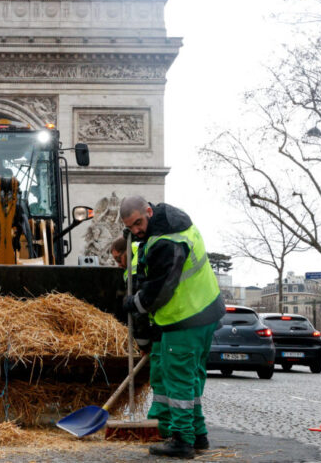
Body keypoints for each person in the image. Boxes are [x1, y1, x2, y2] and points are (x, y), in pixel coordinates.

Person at [120, 196, 224, 459]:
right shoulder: (177, 225)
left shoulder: (166, 243)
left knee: (178, 379)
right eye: (131, 228)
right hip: (205, 312)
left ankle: (182, 440)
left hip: (185, 318)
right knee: (190, 378)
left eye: (139, 223)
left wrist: (135, 303)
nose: (136, 231)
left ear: (149, 211)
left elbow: (159, 291)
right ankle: (198, 435)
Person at [111, 234, 169, 440]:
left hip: (160, 328)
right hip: (164, 326)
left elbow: (139, 312)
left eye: (119, 259)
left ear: (128, 251)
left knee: (161, 376)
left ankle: (160, 424)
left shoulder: (134, 272)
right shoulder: (139, 259)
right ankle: (167, 424)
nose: (118, 265)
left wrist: (144, 342)